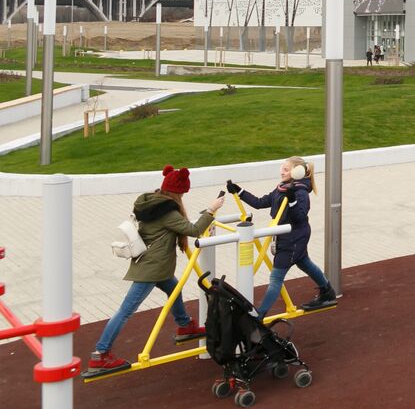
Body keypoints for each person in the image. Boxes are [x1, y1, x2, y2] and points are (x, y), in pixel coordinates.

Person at [86, 166, 225, 374]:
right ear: (178, 192)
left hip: (153, 265)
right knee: (126, 310)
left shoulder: (151, 202)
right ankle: (100, 354)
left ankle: (184, 325)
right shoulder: (166, 211)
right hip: (153, 268)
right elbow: (193, 230)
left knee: (174, 288)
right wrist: (211, 210)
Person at [226, 157, 336, 317]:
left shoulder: (301, 192)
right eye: (282, 168)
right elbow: (260, 202)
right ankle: (327, 291)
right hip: (288, 235)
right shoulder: (282, 188)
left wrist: (292, 201)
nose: (281, 171)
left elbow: (299, 216)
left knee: (276, 277)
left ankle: (259, 315)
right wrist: (239, 191)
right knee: (304, 262)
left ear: (296, 172)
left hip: (293, 238)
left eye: (286, 169)